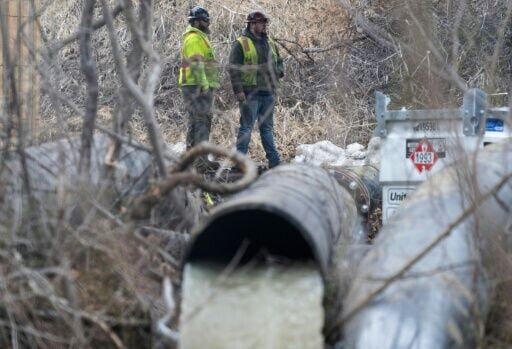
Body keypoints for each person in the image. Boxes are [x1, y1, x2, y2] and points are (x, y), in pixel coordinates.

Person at [229, 11, 284, 169]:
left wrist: (279, 71)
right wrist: (238, 91)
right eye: (261, 23)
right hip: (250, 93)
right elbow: (234, 69)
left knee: (267, 128)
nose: (264, 25)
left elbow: (279, 61)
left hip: (268, 92)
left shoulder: (270, 42)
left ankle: (274, 162)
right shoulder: (241, 43)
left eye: (265, 23)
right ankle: (240, 165)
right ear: (252, 24)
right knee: (246, 128)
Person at [179, 6, 220, 170]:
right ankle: (200, 161)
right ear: (196, 22)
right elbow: (196, 65)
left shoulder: (200, 37)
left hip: (197, 85)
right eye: (205, 20)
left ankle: (193, 159)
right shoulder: (194, 38)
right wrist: (204, 85)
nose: (207, 22)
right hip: (196, 85)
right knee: (201, 122)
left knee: (197, 121)